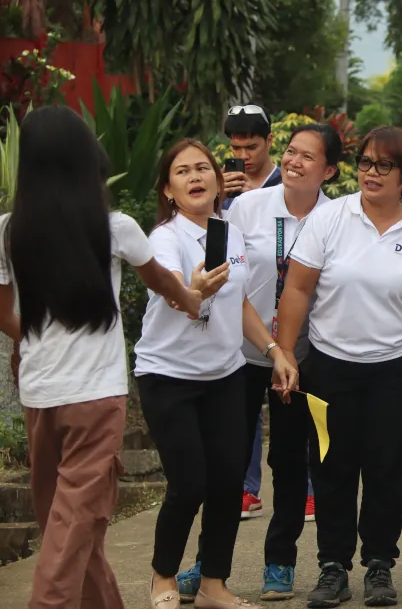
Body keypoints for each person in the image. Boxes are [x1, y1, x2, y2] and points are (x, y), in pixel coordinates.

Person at [0, 106, 202, 609]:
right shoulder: (115, 227)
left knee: (64, 522)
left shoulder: (7, 230)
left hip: (40, 393)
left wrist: (30, 343)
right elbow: (165, 286)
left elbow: (4, 314)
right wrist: (194, 297)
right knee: (72, 526)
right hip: (94, 396)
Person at [275, 125, 402, 608]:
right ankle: (332, 567)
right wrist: (284, 353)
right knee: (331, 466)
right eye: (366, 163)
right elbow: (298, 289)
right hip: (329, 367)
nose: (371, 173)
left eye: (384, 165)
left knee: (387, 468)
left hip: (394, 370)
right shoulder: (331, 218)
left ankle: (379, 566)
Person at [175, 124, 342, 603]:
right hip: (241, 355)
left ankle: (280, 564)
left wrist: (288, 353)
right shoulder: (247, 207)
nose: (292, 161)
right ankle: (210, 566)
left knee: (289, 461)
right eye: (290, 151)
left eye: (307, 156)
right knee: (225, 463)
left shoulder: (337, 219)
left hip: (301, 358)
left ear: (328, 170)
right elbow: (220, 276)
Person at [135, 138, 297, 609]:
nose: (195, 177)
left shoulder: (228, 230)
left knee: (228, 481)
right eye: (182, 172)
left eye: (202, 168)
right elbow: (172, 291)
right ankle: (163, 575)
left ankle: (213, 585)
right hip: (169, 375)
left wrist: (273, 350)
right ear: (168, 189)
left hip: (225, 374)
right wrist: (193, 289)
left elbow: (239, 300)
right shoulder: (164, 238)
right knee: (189, 482)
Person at [222, 104, 282, 211]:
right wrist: (213, 200)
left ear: (269, 141)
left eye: (251, 147)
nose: (243, 156)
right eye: (236, 148)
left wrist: (256, 200)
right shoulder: (222, 184)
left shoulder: (287, 185)